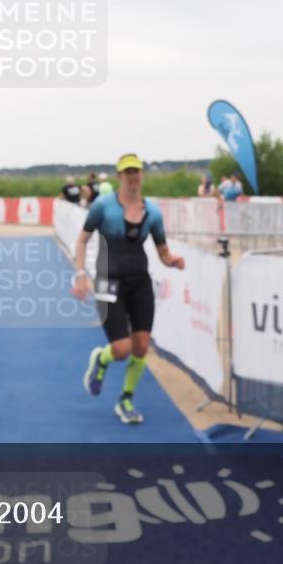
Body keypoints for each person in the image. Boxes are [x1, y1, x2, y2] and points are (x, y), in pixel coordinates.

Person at [71, 153, 185, 425]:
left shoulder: (153, 213)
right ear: (119, 176)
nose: (133, 176)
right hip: (108, 281)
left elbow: (162, 251)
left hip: (140, 283)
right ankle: (102, 358)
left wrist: (173, 261)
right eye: (127, 172)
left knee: (142, 346)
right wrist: (80, 274)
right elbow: (82, 241)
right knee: (121, 349)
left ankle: (126, 399)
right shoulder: (103, 206)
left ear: (141, 176)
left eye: (137, 171)